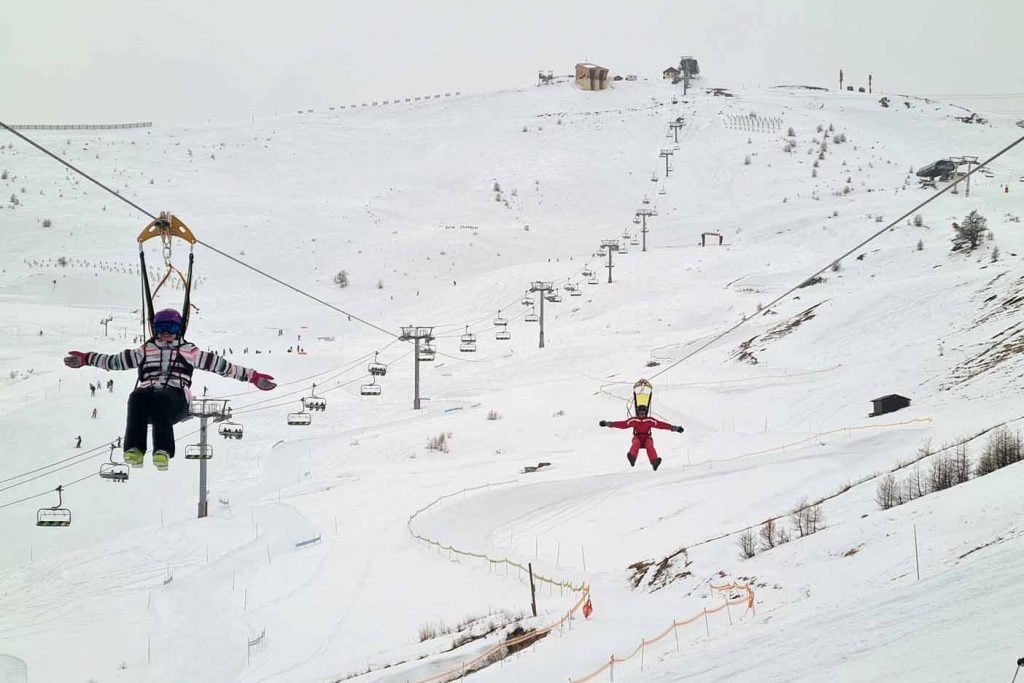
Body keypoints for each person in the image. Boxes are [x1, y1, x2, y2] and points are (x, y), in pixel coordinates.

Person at [63, 308, 276, 471]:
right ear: (154, 330)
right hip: (149, 399)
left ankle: (163, 449)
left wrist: (253, 377)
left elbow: (221, 366)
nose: (166, 335)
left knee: (161, 398)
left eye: (171, 330)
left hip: (175, 400)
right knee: (137, 396)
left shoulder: (188, 351)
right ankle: (134, 448)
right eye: (161, 330)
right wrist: (86, 359)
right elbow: (116, 361)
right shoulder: (146, 350)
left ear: (179, 330)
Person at [598, 404, 684, 471]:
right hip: (637, 437)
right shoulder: (634, 420)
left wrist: (674, 428)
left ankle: (654, 461)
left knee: (649, 445)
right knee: (636, 443)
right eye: (640, 413)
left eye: (643, 413)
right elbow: (623, 424)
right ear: (637, 412)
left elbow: (661, 425)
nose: (642, 414)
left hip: (647, 438)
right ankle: (632, 456)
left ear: (646, 412)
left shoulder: (650, 420)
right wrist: (608, 424)